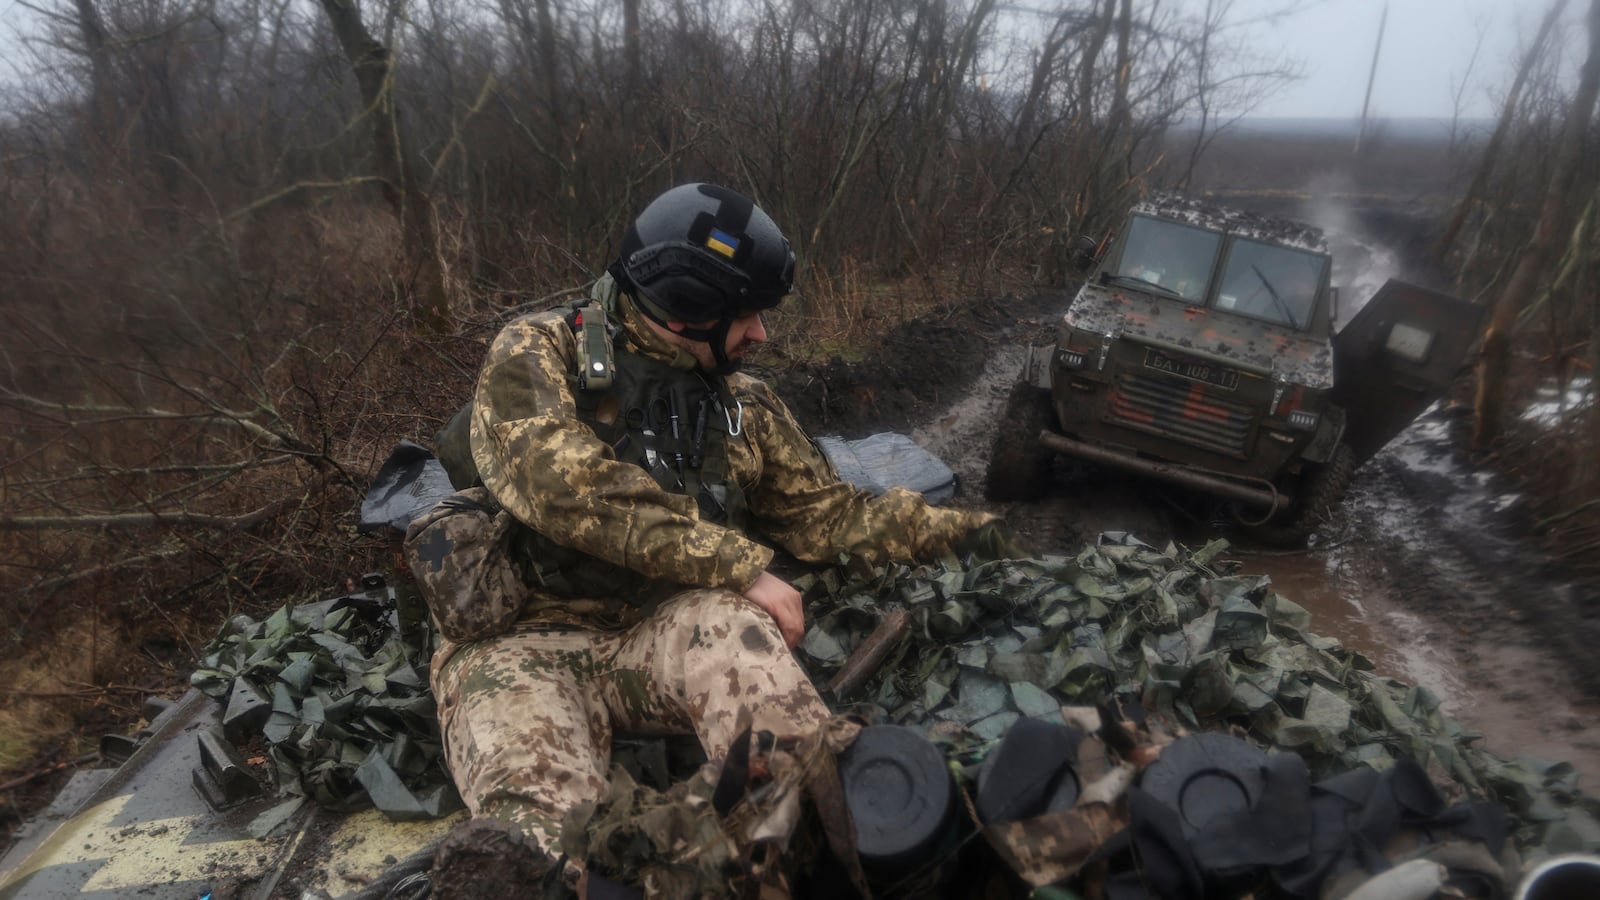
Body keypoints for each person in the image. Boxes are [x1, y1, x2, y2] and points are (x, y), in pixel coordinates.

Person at [405, 183, 1011, 891]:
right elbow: (564, 485)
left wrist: (958, 535)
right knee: (535, 845)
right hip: (520, 641)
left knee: (746, 650)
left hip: (661, 627)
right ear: (687, 304)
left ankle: (818, 840)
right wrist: (737, 563)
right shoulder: (537, 351)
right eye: (745, 314)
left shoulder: (742, 404)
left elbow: (828, 517)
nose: (760, 335)